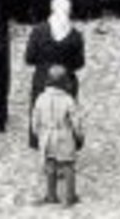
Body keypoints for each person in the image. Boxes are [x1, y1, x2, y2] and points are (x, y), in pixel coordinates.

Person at [30, 65, 84, 207]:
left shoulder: (41, 98)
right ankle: (70, 196)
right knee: (68, 165)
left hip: (47, 135)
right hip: (64, 134)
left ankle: (51, 195)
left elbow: (35, 119)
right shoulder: (68, 100)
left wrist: (37, 133)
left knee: (50, 164)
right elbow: (76, 121)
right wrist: (79, 135)